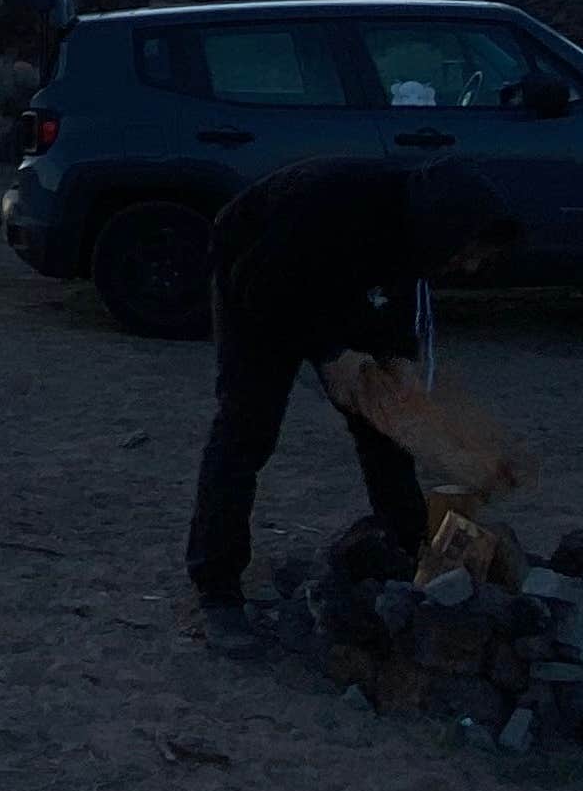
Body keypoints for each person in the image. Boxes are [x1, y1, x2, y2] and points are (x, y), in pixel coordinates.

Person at [186, 157, 522, 655]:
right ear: (448, 227)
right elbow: (260, 285)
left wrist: (395, 371)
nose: (470, 267)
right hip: (253, 272)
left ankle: (408, 545)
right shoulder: (334, 207)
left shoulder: (418, 240)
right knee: (246, 430)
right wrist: (330, 353)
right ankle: (216, 587)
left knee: (382, 426)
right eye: (470, 253)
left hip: (328, 288)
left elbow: (394, 315)